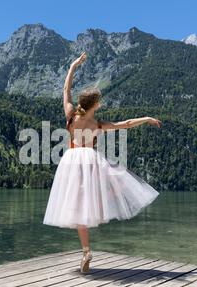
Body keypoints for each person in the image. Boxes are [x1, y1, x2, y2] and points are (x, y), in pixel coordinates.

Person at [43, 52, 162, 273]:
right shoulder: (97, 124)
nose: (100, 103)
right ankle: (101, 208)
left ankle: (86, 250)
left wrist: (73, 66)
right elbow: (125, 124)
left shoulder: (71, 115)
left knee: (78, 209)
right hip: (90, 160)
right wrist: (146, 118)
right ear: (94, 105)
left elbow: (65, 90)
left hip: (71, 160)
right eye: (99, 101)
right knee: (115, 186)